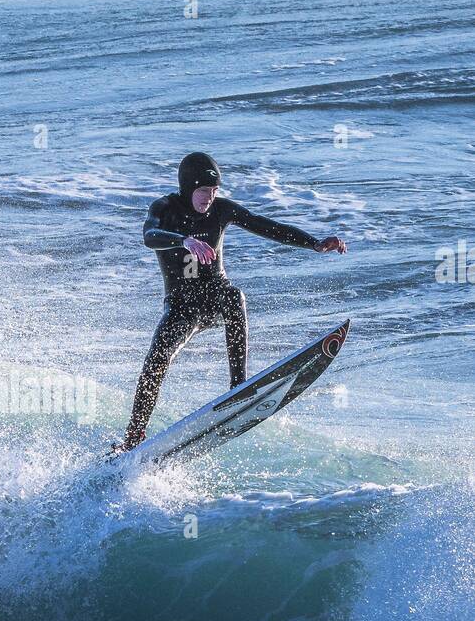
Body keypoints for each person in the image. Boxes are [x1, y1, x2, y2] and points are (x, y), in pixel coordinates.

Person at [117, 152, 347, 451]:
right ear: (188, 188)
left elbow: (265, 226)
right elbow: (150, 235)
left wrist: (313, 243)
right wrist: (183, 240)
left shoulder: (221, 210)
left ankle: (238, 387)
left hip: (215, 295)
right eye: (203, 192)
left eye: (213, 192)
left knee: (234, 296)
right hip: (182, 304)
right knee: (154, 364)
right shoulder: (165, 208)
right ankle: (133, 438)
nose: (209, 198)